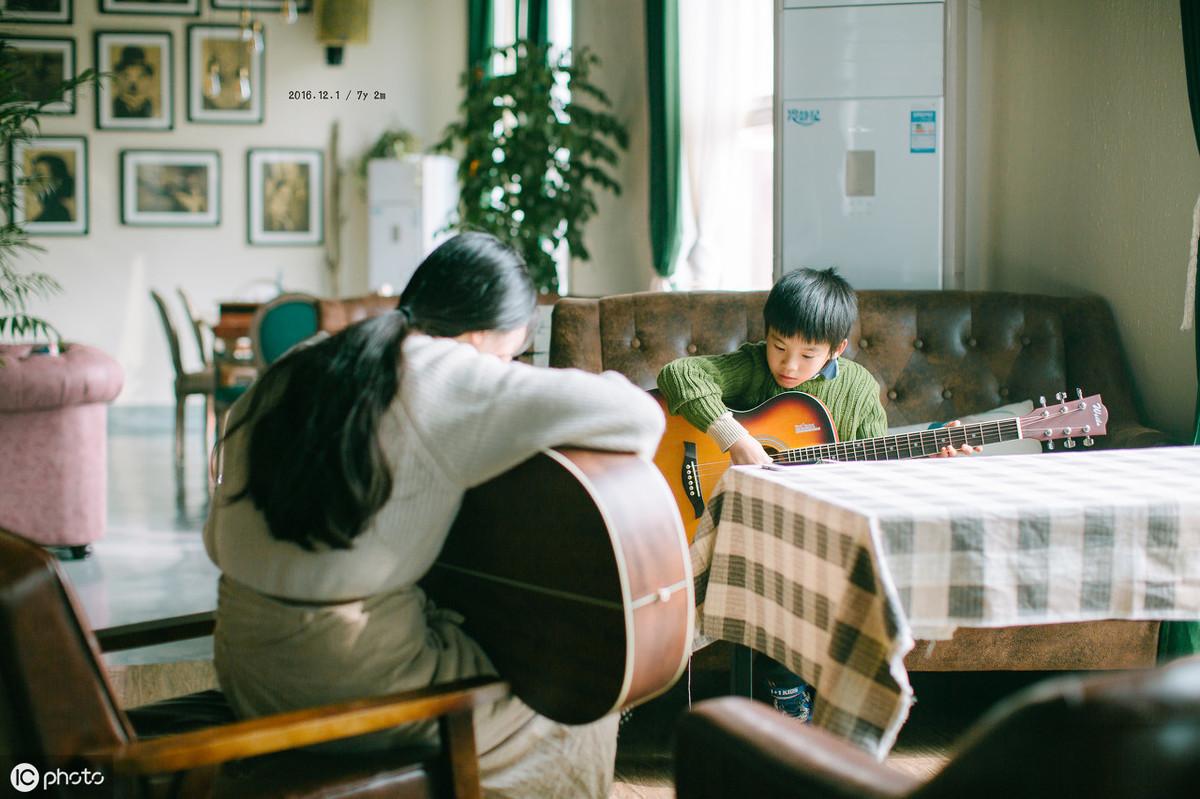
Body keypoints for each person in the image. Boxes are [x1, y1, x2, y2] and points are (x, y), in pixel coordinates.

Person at [204, 233, 665, 798]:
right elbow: (640, 417)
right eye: (508, 356)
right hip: (345, 680)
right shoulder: (455, 374)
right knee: (571, 696)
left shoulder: (309, 356)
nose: (506, 369)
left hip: (240, 661)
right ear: (482, 334)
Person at [656, 266, 980, 719]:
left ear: (837, 350)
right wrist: (737, 439)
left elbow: (877, 467)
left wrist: (929, 461)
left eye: (808, 355)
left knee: (807, 560)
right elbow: (680, 374)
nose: (789, 366)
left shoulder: (859, 389)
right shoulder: (752, 366)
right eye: (779, 347)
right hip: (729, 515)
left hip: (805, 529)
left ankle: (795, 692)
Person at [112, 46, 155, 118]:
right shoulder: (112, 107)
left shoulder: (149, 105)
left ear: (149, 79)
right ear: (117, 78)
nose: (133, 84)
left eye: (141, 76)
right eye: (126, 76)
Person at [30, 153, 71, 223]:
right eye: (33, 174)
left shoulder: (58, 214)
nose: (32, 180)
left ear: (57, 182)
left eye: (39, 176)